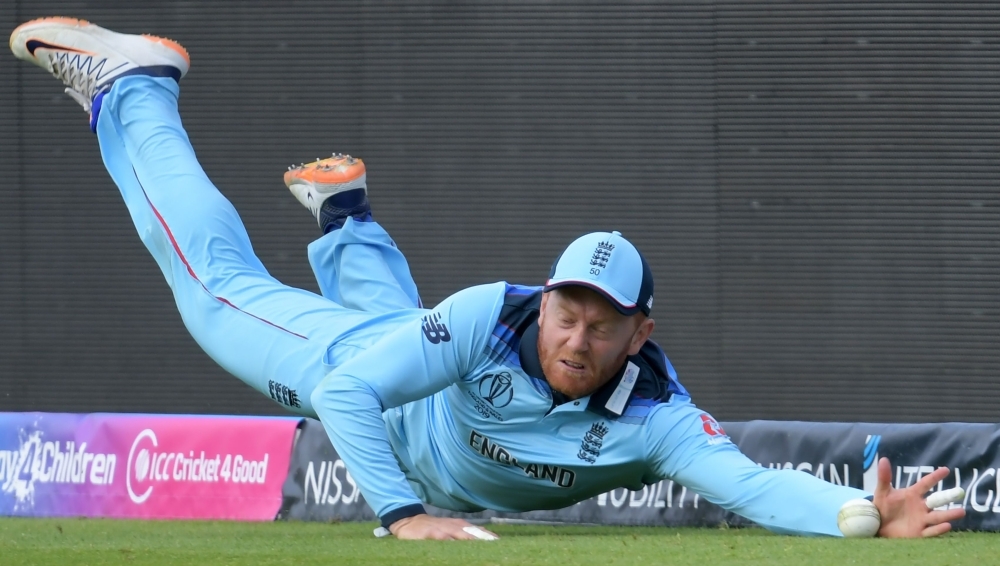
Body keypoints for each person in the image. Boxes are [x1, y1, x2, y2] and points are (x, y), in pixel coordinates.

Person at [10, 17, 965, 540]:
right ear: (542, 299)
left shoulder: (657, 414)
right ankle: (133, 87)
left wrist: (857, 518)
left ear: (641, 331)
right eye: (565, 310)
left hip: (420, 385)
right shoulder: (490, 318)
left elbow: (750, 485)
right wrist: (404, 515)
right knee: (213, 292)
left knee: (401, 325)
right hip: (380, 396)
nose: (575, 338)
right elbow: (345, 389)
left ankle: (346, 220)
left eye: (601, 322)